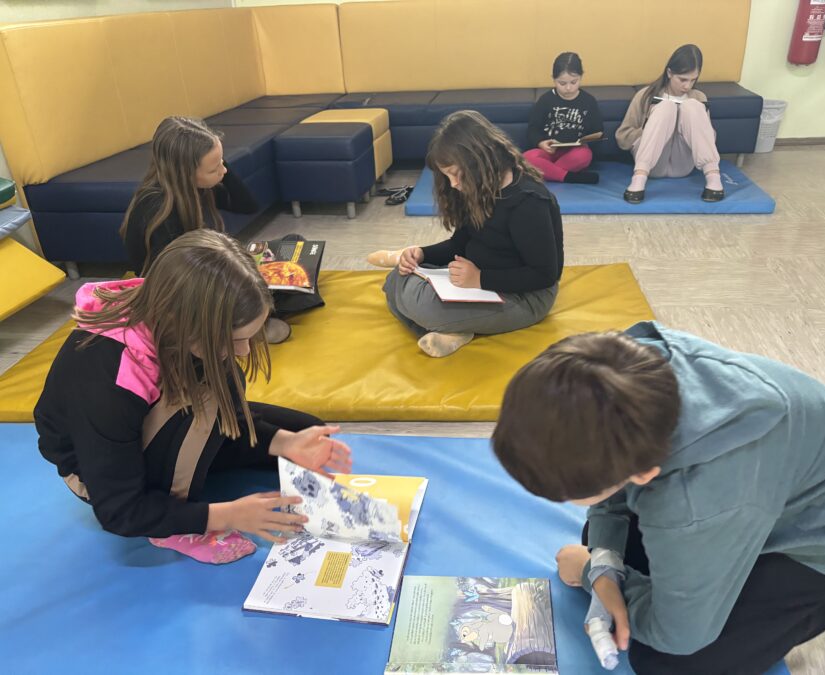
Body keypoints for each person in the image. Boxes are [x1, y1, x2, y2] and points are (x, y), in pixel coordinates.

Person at [492, 322, 825, 674]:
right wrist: (604, 564)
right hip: (767, 494)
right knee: (606, 540)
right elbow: (612, 499)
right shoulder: (621, 367)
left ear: (643, 474)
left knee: (671, 662)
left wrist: (591, 575)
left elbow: (681, 636)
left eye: (572, 494)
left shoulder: (693, 502)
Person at [34, 230, 352, 565]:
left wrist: (283, 442)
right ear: (188, 326)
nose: (244, 351)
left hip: (158, 423)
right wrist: (224, 516)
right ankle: (171, 526)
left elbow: (227, 415)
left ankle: (269, 446)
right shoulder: (105, 376)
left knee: (302, 429)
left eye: (249, 336)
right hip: (99, 477)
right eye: (234, 339)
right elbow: (119, 510)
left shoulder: (178, 311)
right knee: (207, 401)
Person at [366, 110, 563, 358]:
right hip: (478, 282)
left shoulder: (528, 202)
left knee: (418, 303)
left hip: (525, 297)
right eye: (447, 176)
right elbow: (459, 244)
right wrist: (421, 254)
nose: (453, 184)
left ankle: (450, 326)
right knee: (395, 278)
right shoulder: (479, 189)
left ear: (479, 163)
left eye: (455, 174)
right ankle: (455, 330)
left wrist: (480, 279)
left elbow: (545, 275)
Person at [119, 116, 292, 344]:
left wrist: (218, 164)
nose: (223, 170)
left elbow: (247, 205)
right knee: (285, 291)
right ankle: (239, 327)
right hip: (181, 295)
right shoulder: (159, 211)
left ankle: (254, 317)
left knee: (292, 245)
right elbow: (179, 287)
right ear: (185, 171)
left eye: (222, 162)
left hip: (201, 275)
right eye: (214, 168)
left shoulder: (192, 186)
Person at [616, 44, 725, 204]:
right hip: (650, 165)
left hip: (683, 165)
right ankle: (638, 181)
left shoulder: (699, 96)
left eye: (693, 80)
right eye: (682, 79)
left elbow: (708, 139)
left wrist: (695, 125)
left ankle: (714, 178)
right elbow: (622, 137)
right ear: (669, 73)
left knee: (692, 106)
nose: (687, 86)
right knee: (666, 107)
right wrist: (649, 127)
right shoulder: (645, 95)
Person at [524, 52, 603, 185]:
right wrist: (541, 143)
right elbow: (532, 130)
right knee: (526, 158)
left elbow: (598, 131)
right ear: (553, 79)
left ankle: (548, 172)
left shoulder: (589, 101)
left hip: (573, 153)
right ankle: (568, 177)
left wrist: (587, 142)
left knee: (584, 155)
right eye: (562, 83)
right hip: (548, 152)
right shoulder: (545, 100)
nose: (568, 88)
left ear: (581, 77)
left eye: (574, 82)